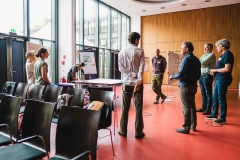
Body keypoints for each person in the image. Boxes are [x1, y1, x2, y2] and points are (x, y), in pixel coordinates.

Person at [169, 42, 201, 134]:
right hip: (194, 85)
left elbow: (181, 74)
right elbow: (198, 75)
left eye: (181, 48)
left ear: (187, 49)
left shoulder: (186, 59)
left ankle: (186, 127)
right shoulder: (196, 59)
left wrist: (172, 76)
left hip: (186, 85)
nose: (180, 49)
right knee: (192, 106)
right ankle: (193, 125)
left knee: (185, 107)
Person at [118, 32, 145, 139]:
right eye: (138, 40)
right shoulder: (140, 51)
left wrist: (130, 74)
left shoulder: (121, 52)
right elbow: (141, 68)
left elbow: (121, 68)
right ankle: (138, 132)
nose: (138, 42)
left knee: (125, 107)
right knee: (138, 108)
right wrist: (138, 80)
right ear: (136, 40)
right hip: (137, 83)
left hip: (126, 83)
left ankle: (123, 131)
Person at [205, 39, 234, 124]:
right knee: (215, 97)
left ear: (223, 46)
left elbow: (227, 69)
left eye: (218, 46)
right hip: (219, 78)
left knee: (221, 98)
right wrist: (215, 72)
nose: (217, 48)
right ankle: (214, 114)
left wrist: (215, 70)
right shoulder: (223, 55)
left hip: (223, 79)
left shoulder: (228, 55)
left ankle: (222, 118)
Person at [196, 43, 216, 115]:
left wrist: (203, 64)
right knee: (203, 93)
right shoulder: (203, 55)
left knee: (208, 93)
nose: (205, 49)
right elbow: (198, 63)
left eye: (206, 47)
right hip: (201, 76)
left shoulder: (212, 55)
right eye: (204, 47)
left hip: (207, 75)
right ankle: (203, 108)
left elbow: (203, 62)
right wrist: (203, 64)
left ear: (211, 48)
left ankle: (208, 109)